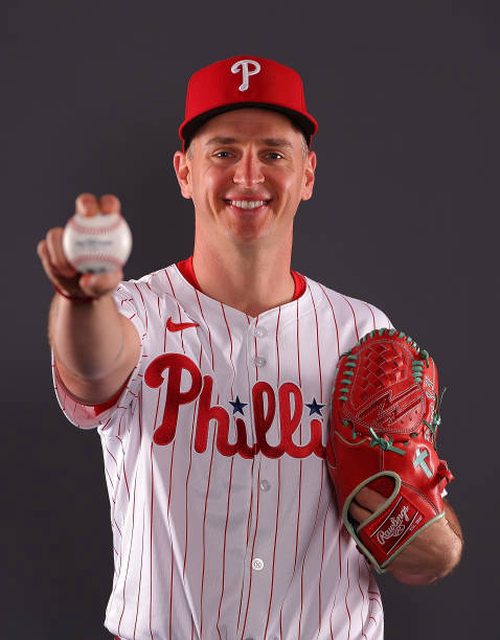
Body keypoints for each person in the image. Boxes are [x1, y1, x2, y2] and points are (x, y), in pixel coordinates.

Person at [38, 55, 463, 640]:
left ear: (307, 175)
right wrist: (81, 299)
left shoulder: (362, 331)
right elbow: (93, 365)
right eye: (223, 152)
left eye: (273, 154)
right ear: (185, 173)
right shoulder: (135, 310)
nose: (247, 175)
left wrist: (433, 539)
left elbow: (422, 552)